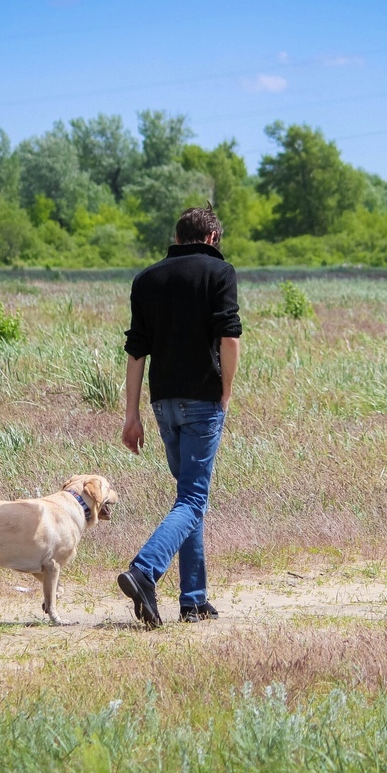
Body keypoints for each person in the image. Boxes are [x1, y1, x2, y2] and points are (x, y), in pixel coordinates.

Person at [117, 205, 242, 628]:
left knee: (188, 499)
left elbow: (136, 352)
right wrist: (225, 390)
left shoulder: (146, 278)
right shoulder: (219, 274)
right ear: (210, 239)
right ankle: (144, 570)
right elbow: (229, 336)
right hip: (202, 401)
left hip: (162, 403)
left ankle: (193, 600)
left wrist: (131, 415)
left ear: (179, 235)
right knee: (192, 498)